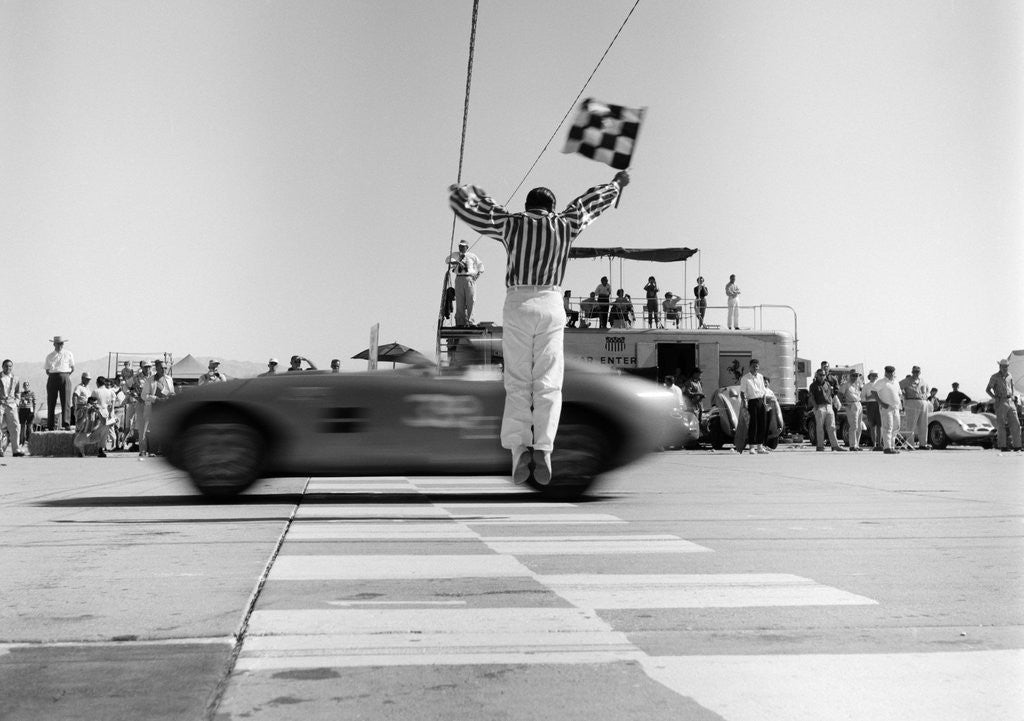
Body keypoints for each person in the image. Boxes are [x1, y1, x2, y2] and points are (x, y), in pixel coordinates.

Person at [449, 170, 629, 485]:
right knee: (548, 382)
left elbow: (477, 209)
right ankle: (544, 448)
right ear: (552, 206)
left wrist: (458, 193)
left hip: (518, 303)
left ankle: (520, 451)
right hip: (550, 303)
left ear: (528, 205)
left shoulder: (512, 223)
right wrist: (616, 184)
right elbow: (591, 203)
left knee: (518, 381)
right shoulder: (565, 223)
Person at [445, 240, 485, 327]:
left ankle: (471, 322)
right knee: (460, 301)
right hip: (459, 278)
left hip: (469, 278)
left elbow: (481, 266)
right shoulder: (455, 254)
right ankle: (460, 322)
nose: (461, 248)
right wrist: (458, 262)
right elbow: (448, 260)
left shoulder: (472, 256)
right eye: (460, 246)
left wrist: (477, 275)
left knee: (471, 300)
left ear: (467, 247)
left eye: (463, 246)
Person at [986, 359, 1022, 452]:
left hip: (1010, 401)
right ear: (1000, 366)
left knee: (1016, 424)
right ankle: (1003, 446)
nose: (1005, 368)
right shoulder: (994, 377)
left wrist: (1013, 397)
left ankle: (1017, 446)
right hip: (1001, 401)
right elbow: (988, 389)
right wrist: (994, 397)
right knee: (1001, 425)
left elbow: (1012, 387)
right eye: (1003, 366)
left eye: (1006, 366)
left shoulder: (1010, 376)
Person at [810, 368, 845, 451]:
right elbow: (811, 397)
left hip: (829, 406)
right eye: (820, 375)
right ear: (816, 375)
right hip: (820, 407)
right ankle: (820, 446)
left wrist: (833, 404)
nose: (822, 376)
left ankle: (835, 445)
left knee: (832, 427)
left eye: (823, 375)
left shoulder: (828, 384)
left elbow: (831, 395)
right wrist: (816, 407)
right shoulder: (813, 385)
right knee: (820, 427)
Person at [740, 359, 771, 454]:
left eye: (757, 366)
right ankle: (752, 447)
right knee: (754, 424)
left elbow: (763, 391)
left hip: (761, 401)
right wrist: (744, 402)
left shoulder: (761, 377)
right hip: (752, 401)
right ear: (750, 366)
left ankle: (760, 446)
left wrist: (765, 403)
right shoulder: (745, 378)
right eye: (753, 366)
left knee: (763, 424)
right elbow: (742, 392)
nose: (755, 368)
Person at [44, 335, 75, 430]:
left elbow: (72, 368)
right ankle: (50, 425)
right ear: (54, 344)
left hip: (65, 375)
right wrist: (55, 375)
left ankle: (66, 424)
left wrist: (65, 375)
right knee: (51, 402)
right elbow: (47, 370)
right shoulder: (49, 356)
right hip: (53, 376)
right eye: (58, 343)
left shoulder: (68, 353)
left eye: (61, 343)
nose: (60, 345)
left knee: (66, 401)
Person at [872, 365, 903, 454]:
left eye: (891, 372)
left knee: (896, 427)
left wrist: (900, 404)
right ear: (885, 372)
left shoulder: (896, 382)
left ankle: (892, 446)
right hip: (886, 408)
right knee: (887, 427)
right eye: (888, 372)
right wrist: (881, 403)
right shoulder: (881, 382)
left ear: (894, 373)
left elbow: (899, 394)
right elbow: (873, 392)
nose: (889, 374)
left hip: (896, 408)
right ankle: (887, 447)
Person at [899, 365, 930, 450]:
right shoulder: (907, 381)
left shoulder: (923, 381)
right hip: (911, 401)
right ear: (912, 372)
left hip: (923, 402)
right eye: (914, 372)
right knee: (911, 424)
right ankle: (910, 444)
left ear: (920, 372)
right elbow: (898, 388)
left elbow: (928, 391)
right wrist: (903, 394)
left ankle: (923, 444)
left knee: (923, 424)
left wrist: (926, 396)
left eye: (917, 372)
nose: (916, 373)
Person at [90, 376, 118, 458]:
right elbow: (111, 403)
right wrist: (111, 413)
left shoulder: (95, 391)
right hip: (107, 413)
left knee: (96, 430)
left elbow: (92, 402)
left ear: (98, 383)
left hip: (98, 412)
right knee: (105, 433)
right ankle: (101, 448)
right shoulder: (109, 392)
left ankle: (96, 448)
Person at [0, 360, 23, 456]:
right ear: (2, 366)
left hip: (11, 404)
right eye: (6, 366)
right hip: (0, 404)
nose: (8, 368)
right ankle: (1, 449)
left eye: (10, 366)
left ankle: (16, 450)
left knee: (16, 426)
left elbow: (18, 391)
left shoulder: (15, 378)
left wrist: (17, 402)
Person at [134, 360, 155, 459]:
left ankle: (152, 450)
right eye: (146, 367)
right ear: (142, 367)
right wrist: (135, 396)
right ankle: (142, 450)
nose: (148, 368)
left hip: (152, 404)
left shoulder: (155, 377)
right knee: (142, 428)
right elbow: (126, 387)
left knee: (152, 428)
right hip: (141, 404)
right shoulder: (136, 377)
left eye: (149, 366)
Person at [839, 370, 864, 450]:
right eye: (853, 375)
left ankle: (857, 445)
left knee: (859, 426)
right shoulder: (845, 385)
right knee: (854, 426)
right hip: (851, 405)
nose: (855, 377)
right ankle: (852, 445)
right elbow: (840, 394)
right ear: (850, 375)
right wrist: (842, 404)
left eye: (857, 375)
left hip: (858, 404)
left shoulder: (858, 384)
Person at [861, 370, 883, 451]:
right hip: (870, 405)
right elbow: (862, 397)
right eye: (872, 375)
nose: (874, 377)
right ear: (869, 376)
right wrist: (869, 397)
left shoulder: (880, 385)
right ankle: (874, 444)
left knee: (880, 426)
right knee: (872, 426)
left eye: (875, 375)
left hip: (878, 405)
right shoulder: (866, 386)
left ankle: (879, 444)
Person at [17, 380, 36, 451]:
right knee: (22, 427)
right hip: (22, 411)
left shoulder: (32, 393)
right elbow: (18, 402)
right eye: (24, 385)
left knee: (29, 426)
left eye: (27, 385)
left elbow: (34, 403)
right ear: (23, 386)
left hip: (29, 411)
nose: (26, 386)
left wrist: (34, 411)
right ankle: (21, 442)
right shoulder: (21, 394)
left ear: (29, 386)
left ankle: (31, 441)